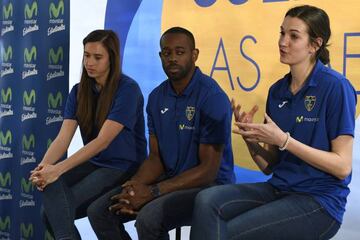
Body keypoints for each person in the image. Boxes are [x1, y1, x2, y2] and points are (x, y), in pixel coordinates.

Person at [190, 5, 357, 240]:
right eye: (282, 33)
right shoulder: (277, 90)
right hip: (279, 188)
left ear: (315, 44)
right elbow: (269, 166)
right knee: (207, 200)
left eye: (294, 36)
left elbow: (342, 167)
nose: (283, 41)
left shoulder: (335, 87)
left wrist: (284, 140)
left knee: (230, 233)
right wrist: (252, 139)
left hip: (319, 201)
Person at [86, 26, 235, 240]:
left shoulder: (212, 97)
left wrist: (153, 192)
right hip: (170, 180)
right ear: (160, 56)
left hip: (209, 188)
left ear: (194, 55)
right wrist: (135, 187)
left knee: (149, 218)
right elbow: (156, 158)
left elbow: (208, 171)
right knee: (100, 212)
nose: (172, 58)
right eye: (167, 53)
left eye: (180, 52)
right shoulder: (156, 97)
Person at [29, 29, 147, 240]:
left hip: (124, 166)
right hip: (97, 163)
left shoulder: (128, 90)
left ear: (112, 58)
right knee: (50, 207)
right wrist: (43, 168)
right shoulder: (78, 91)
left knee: (57, 210)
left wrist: (57, 170)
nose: (89, 62)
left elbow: (103, 141)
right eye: (86, 55)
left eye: (97, 57)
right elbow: (63, 138)